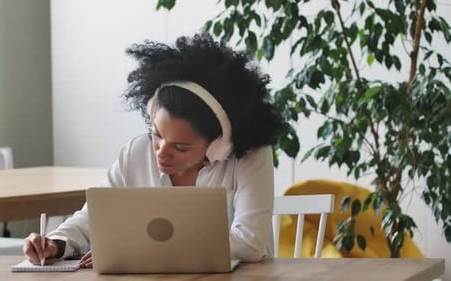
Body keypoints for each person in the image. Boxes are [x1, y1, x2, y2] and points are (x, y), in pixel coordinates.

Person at [23, 33, 287, 268]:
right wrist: (56, 243)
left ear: (218, 144)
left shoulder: (249, 157)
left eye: (181, 147)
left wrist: (139, 252)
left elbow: (249, 243)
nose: (161, 152)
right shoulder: (135, 153)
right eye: (157, 135)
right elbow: (92, 218)